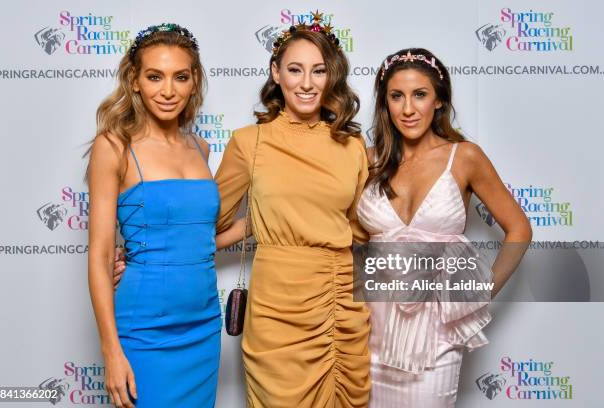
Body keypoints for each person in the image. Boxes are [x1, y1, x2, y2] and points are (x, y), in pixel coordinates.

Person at [357, 48, 532, 407]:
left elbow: (519, 229)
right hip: (368, 330)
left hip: (436, 335)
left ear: (439, 100)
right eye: (396, 96)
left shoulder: (464, 156)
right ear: (385, 103)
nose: (408, 108)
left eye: (420, 94)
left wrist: (476, 294)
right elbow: (343, 233)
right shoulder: (367, 160)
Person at [214, 12, 372, 407]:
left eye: (318, 71)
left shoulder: (351, 146)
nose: (306, 83)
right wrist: (143, 254)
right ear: (276, 72)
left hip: (337, 300)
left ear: (331, 76)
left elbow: (360, 230)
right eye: (295, 69)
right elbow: (208, 224)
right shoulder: (249, 142)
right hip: (276, 308)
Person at [86, 24, 222, 407]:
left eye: (180, 77)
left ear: (194, 81)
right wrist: (112, 352)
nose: (168, 91)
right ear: (134, 80)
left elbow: (196, 237)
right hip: (143, 330)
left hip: (204, 326)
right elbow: (99, 256)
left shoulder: (201, 146)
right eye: (154, 77)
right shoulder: (113, 146)